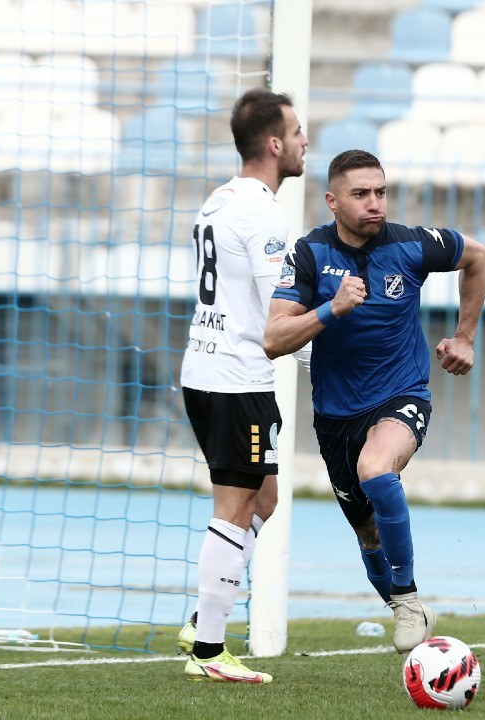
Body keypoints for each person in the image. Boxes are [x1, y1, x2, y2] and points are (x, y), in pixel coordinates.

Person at [263, 149, 485, 653]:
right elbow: (274, 339)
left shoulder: (412, 244)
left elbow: (477, 257)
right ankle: (404, 603)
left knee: (376, 469)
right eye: (361, 194)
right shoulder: (308, 254)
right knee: (367, 536)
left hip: (401, 393)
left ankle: (407, 598)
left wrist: (464, 336)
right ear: (332, 201)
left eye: (381, 192)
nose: (375, 204)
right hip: (335, 415)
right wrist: (332, 308)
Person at [176, 89, 309, 683]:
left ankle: (201, 618)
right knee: (233, 508)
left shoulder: (218, 199)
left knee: (264, 498)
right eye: (298, 132)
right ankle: (209, 651)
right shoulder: (263, 212)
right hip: (236, 380)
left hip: (207, 370)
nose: (305, 141)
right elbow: (276, 314)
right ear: (275, 144)